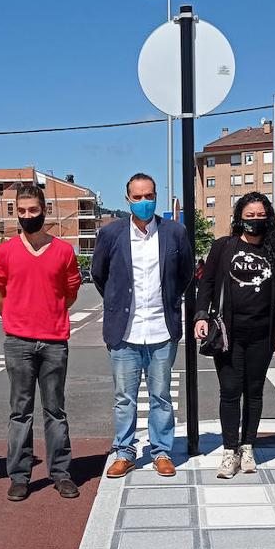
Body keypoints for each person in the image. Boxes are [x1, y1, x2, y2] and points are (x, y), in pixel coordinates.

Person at [93, 173, 194, 478]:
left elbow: (186, 272)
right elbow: (99, 274)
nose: (143, 202)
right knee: (124, 398)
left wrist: (173, 302)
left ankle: (161, 451)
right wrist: (116, 304)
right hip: (125, 332)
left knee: (161, 396)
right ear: (128, 200)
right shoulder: (111, 234)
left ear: (155, 197)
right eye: (137, 198)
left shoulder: (174, 232)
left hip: (162, 330)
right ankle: (125, 452)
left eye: (148, 196)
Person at [0, 182, 83, 501]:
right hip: (18, 342)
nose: (28, 216)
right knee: (20, 411)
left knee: (55, 410)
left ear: (45, 211)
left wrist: (47, 313)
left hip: (54, 341)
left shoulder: (64, 252)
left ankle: (61, 473)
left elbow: (70, 293)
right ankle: (19, 476)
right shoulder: (5, 251)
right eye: (22, 211)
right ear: (16, 213)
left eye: (33, 210)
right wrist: (17, 317)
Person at [194, 191, 275, 478]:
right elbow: (208, 284)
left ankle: (247, 446)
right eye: (249, 216)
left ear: (269, 217)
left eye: (260, 216)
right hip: (228, 333)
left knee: (253, 392)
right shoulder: (224, 247)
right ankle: (229, 449)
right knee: (229, 391)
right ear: (239, 217)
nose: (255, 221)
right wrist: (201, 316)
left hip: (263, 332)